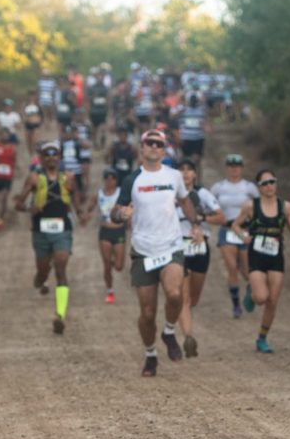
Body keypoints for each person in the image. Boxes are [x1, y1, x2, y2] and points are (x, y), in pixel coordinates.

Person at [110, 129, 204, 377]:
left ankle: (169, 331)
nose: (154, 147)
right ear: (141, 148)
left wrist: (195, 225)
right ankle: (150, 354)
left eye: (159, 144)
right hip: (143, 251)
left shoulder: (174, 176)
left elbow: (185, 201)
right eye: (149, 143)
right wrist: (121, 215)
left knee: (174, 294)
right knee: (147, 312)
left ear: (164, 150)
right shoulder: (132, 180)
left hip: (171, 246)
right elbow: (115, 211)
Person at [14, 141, 84, 334]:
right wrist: (29, 208)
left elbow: (76, 196)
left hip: (63, 228)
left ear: (60, 157)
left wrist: (80, 212)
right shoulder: (35, 178)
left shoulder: (68, 178)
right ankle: (40, 277)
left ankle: (60, 314)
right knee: (44, 269)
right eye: (47, 155)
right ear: (42, 158)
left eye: (55, 154)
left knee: (61, 265)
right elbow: (18, 204)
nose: (51, 158)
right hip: (41, 230)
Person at [231, 169, 290, 353]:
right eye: (264, 183)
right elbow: (235, 225)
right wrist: (243, 235)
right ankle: (252, 292)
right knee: (261, 297)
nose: (269, 186)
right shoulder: (250, 206)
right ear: (259, 187)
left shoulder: (286, 206)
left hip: (276, 256)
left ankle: (262, 338)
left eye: (272, 182)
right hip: (256, 254)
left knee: (273, 300)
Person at [176, 159, 226, 357]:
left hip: (199, 248)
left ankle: (183, 318)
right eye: (182, 170)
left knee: (193, 297)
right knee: (184, 298)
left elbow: (221, 218)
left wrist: (201, 219)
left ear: (195, 174)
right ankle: (189, 337)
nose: (186, 173)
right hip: (178, 247)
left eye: (189, 170)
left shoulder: (203, 194)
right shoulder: (170, 195)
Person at [210, 154, 259, 318]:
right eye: (231, 166)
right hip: (227, 230)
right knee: (231, 268)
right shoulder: (218, 187)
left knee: (246, 271)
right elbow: (209, 205)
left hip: (245, 231)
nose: (234, 169)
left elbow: (261, 207)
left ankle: (251, 291)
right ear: (226, 168)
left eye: (237, 166)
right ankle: (236, 305)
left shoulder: (249, 187)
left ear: (242, 168)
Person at [85, 168, 126, 304]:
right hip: (105, 231)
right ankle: (110, 290)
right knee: (107, 264)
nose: (110, 181)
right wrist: (88, 212)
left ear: (116, 180)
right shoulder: (99, 194)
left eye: (112, 178)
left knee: (119, 266)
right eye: (107, 179)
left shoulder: (121, 193)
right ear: (104, 180)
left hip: (119, 230)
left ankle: (114, 261)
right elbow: (90, 207)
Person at [178, 94, 210, 167]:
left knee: (196, 161)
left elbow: (204, 123)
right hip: (186, 138)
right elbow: (179, 123)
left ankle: (196, 177)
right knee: (185, 160)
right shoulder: (183, 111)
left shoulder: (201, 111)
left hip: (197, 138)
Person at [59, 125, 84, 204]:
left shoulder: (77, 143)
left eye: (69, 133)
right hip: (65, 171)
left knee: (77, 189)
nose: (68, 135)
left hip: (76, 170)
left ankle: (78, 206)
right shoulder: (61, 143)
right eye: (66, 133)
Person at [73, 109, 93, 192]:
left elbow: (90, 140)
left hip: (85, 153)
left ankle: (86, 188)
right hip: (77, 152)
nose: (79, 117)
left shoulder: (87, 126)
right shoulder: (73, 126)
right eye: (78, 115)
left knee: (86, 172)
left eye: (81, 115)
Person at [87, 75, 110, 148]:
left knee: (103, 128)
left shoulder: (105, 88)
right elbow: (88, 100)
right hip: (94, 112)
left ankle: (103, 143)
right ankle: (95, 144)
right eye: (98, 77)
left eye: (101, 77)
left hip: (102, 112)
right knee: (94, 129)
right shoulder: (92, 88)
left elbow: (108, 99)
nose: (100, 78)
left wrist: (108, 109)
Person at [22, 90, 44, 158]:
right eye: (30, 96)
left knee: (35, 139)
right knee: (28, 140)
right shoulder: (25, 104)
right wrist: (25, 119)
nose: (32, 97)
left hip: (36, 124)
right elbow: (23, 113)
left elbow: (41, 114)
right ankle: (30, 153)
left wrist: (40, 121)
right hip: (28, 124)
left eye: (33, 96)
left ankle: (35, 153)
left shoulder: (38, 105)